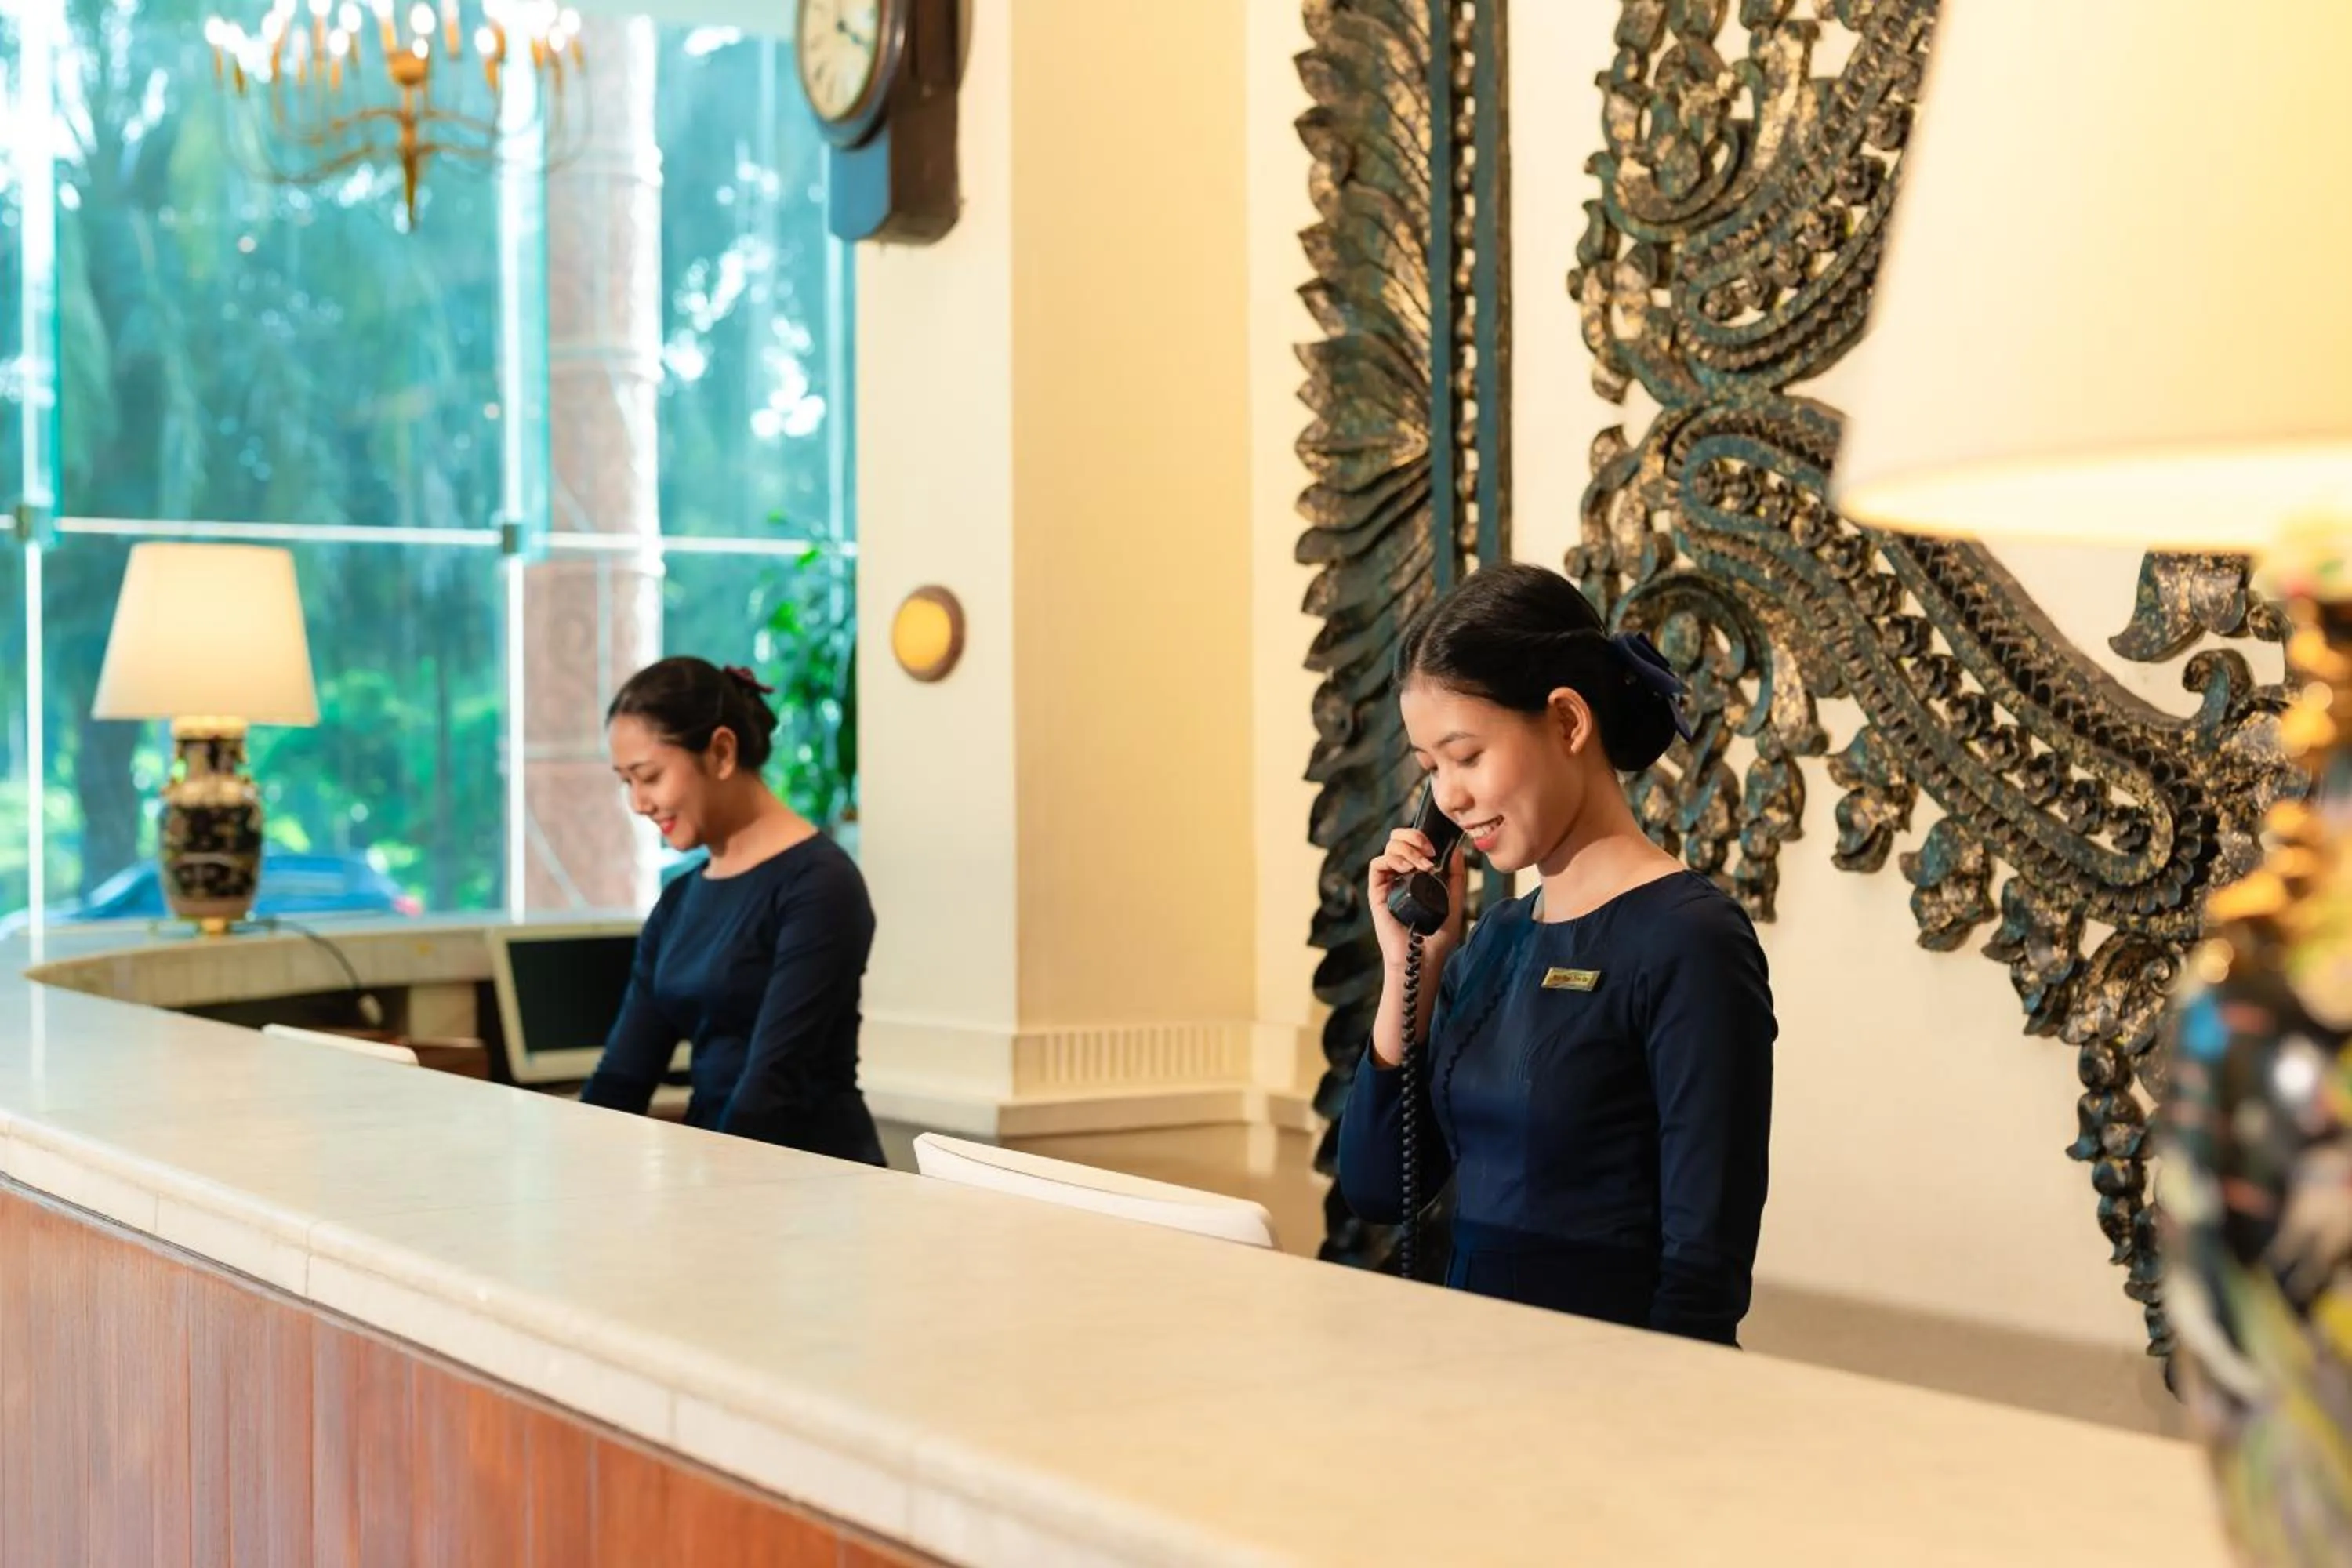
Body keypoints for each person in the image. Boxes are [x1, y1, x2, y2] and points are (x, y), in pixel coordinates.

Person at [1337, 563, 1775, 1346]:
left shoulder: (1690, 940)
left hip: (1607, 1412)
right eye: (1430, 769)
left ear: (1569, 722)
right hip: (1475, 1386)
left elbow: (1703, 1268)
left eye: (1466, 755)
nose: (1447, 799)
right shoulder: (1494, 941)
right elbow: (1376, 1185)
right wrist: (1414, 964)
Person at [580, 656, 887, 1167]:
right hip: (721, 1167)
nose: (637, 802)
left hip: (816, 1182)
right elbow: (624, 1075)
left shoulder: (820, 885)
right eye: (624, 782)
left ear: (722, 752)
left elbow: (772, 1087)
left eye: (649, 776)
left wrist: (711, 1193)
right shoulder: (679, 900)